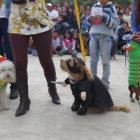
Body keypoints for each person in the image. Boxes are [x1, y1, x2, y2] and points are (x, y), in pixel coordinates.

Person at [9, 0, 61, 117]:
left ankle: (53, 90)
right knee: (20, 63)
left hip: (40, 19)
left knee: (46, 60)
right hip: (18, 21)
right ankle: (24, 100)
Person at [89, 0, 119, 89]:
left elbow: (116, 23)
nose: (102, 0)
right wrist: (89, 19)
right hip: (94, 34)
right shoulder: (95, 6)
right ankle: (93, 82)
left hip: (106, 36)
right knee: (92, 61)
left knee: (105, 61)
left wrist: (104, 18)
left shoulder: (111, 7)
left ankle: (105, 83)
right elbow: (89, 22)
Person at [0, 0, 18, 99]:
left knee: (11, 53)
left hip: (7, 19)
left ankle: (14, 85)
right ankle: (1, 86)